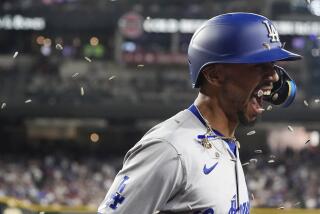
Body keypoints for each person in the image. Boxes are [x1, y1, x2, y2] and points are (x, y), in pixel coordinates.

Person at [98, 12, 301, 214]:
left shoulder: (224, 142)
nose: (274, 76)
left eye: (273, 66)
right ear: (214, 75)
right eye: (259, 66)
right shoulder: (170, 148)